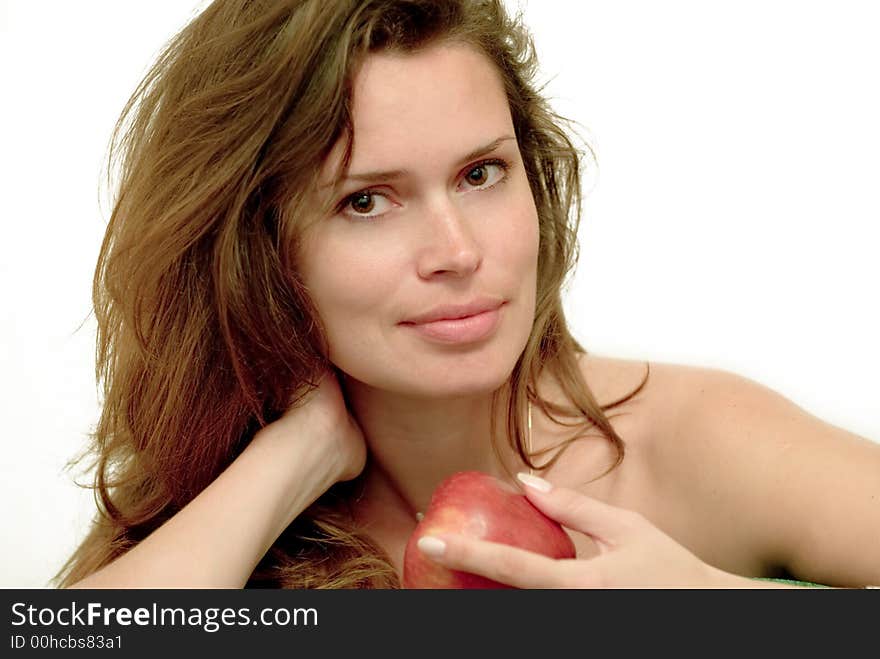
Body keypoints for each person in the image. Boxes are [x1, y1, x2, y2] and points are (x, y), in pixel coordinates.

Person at [57, 0, 880, 590]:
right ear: (260, 255)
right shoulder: (240, 511)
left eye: (480, 173)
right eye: (366, 201)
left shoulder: (687, 442)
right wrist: (296, 454)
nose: (458, 252)